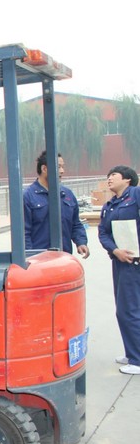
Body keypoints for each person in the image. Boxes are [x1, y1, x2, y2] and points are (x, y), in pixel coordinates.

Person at [98, 165, 140, 375]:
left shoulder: (136, 196)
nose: (109, 178)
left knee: (130, 310)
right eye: (108, 175)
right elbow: (103, 233)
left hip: (135, 261)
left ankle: (137, 359)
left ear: (127, 179)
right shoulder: (109, 206)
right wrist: (115, 250)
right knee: (124, 309)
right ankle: (131, 352)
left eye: (113, 175)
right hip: (121, 262)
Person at [23, 151, 90, 258]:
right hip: (39, 259)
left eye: (63, 167)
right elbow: (24, 232)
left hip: (64, 257)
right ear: (44, 169)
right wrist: (29, 257)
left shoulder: (67, 194)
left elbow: (75, 223)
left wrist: (81, 242)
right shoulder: (28, 196)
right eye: (58, 167)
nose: (62, 171)